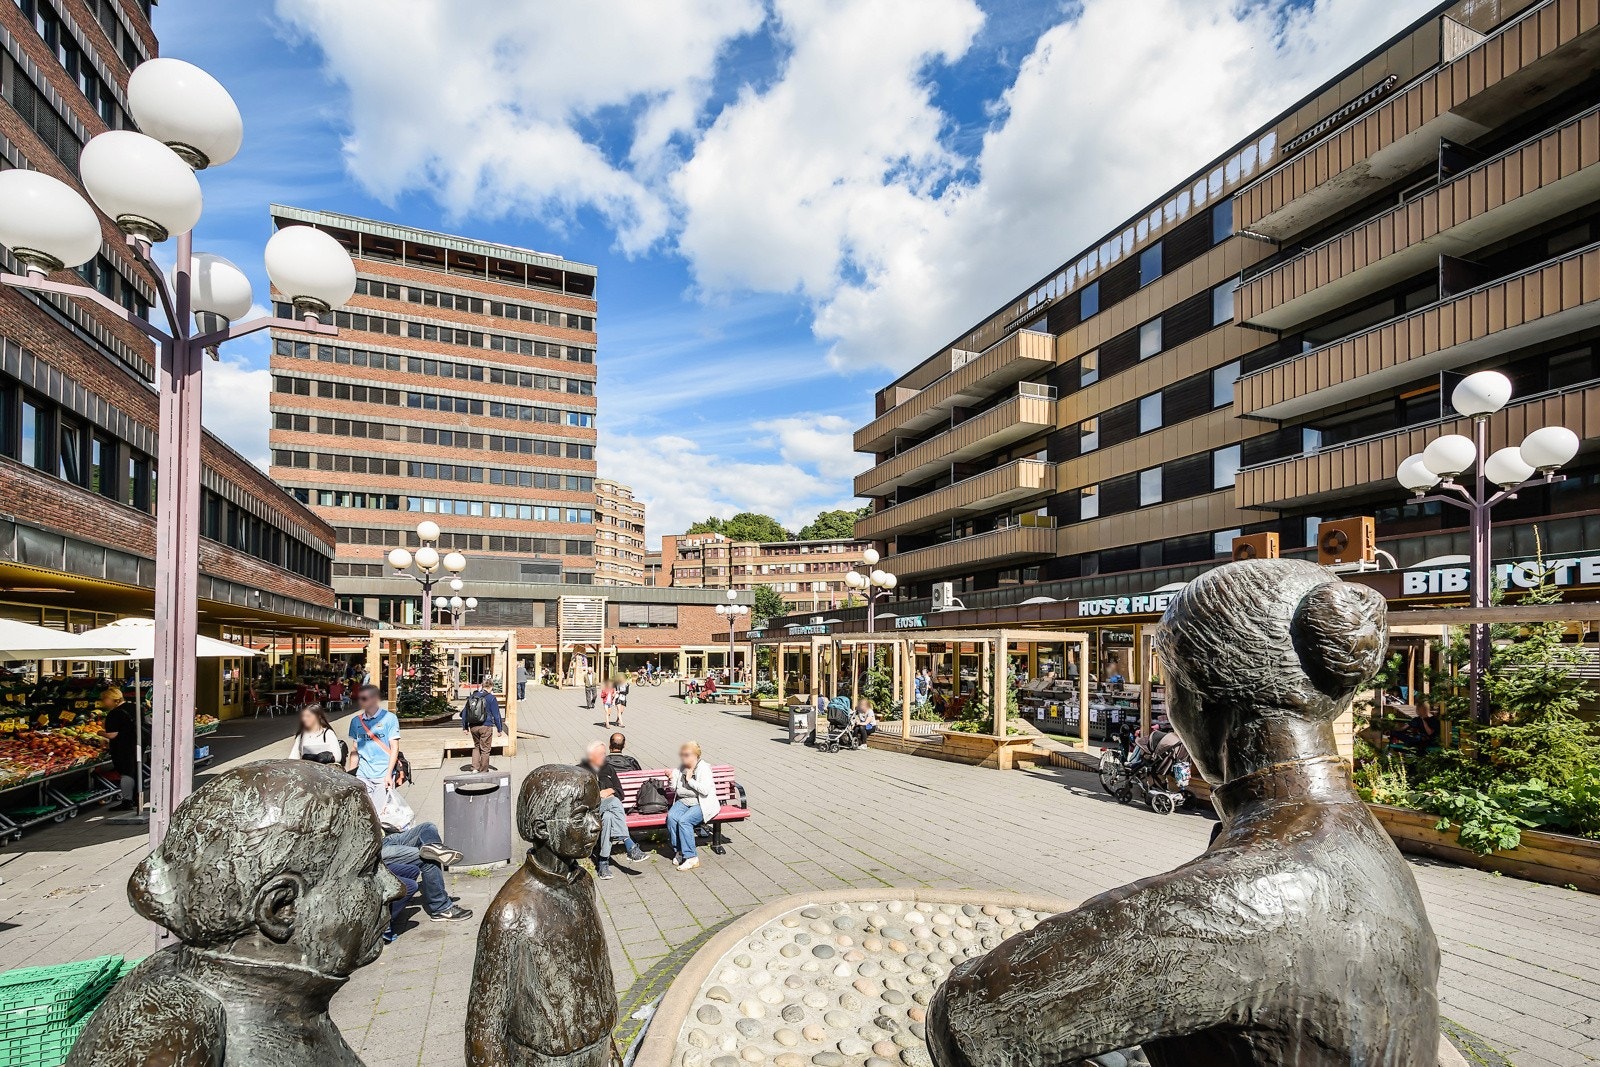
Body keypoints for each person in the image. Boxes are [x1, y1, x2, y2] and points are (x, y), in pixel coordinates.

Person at [65, 763, 397, 1067]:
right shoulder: (173, 1025)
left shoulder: (285, 998)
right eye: (368, 870)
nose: (394, 887)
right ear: (281, 908)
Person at [466, 765, 615, 1067]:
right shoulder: (511, 913)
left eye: (595, 812)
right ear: (541, 828)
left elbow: (594, 979)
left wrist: (609, 1048)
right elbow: (484, 1032)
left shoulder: (583, 884)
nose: (595, 825)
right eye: (580, 816)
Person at [379, 814, 473, 923]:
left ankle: (434, 846)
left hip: (386, 837)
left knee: (428, 827)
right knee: (428, 859)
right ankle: (441, 908)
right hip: (378, 850)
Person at [578, 741, 647, 878]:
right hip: (591, 810)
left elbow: (620, 793)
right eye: (601, 754)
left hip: (608, 809)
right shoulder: (580, 771)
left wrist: (610, 790)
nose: (604, 757)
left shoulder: (608, 769)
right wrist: (598, 795)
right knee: (614, 802)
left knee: (609, 817)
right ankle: (629, 843)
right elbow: (579, 797)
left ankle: (603, 862)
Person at [666, 741, 718, 871]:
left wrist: (690, 780)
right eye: (682, 755)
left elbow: (705, 791)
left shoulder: (703, 768)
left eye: (687, 755)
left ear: (695, 755)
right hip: (684, 801)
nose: (684, 758)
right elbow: (675, 789)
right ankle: (679, 851)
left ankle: (691, 857)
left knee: (685, 821)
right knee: (672, 817)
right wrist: (671, 778)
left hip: (701, 802)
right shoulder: (681, 768)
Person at [347, 685, 399, 806]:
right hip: (362, 774)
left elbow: (394, 748)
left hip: (382, 774)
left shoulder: (389, 718)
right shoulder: (356, 721)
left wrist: (389, 774)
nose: (361, 702)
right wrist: (350, 776)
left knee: (379, 813)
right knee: (365, 812)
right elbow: (355, 749)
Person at [99, 688, 138, 811]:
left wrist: (100, 732)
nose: (103, 702)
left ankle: (127, 801)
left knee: (126, 773)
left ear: (113, 699)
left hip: (123, 748)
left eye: (105, 699)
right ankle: (136, 798)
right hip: (136, 745)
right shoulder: (134, 707)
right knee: (134, 771)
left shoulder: (115, 713)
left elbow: (112, 735)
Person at [461, 687, 506, 773]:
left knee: (476, 746)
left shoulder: (472, 696)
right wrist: (499, 729)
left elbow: (464, 713)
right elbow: (496, 715)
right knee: (485, 749)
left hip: (473, 726)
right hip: (486, 726)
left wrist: (465, 727)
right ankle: (483, 770)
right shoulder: (491, 698)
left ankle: (475, 768)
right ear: (491, 687)